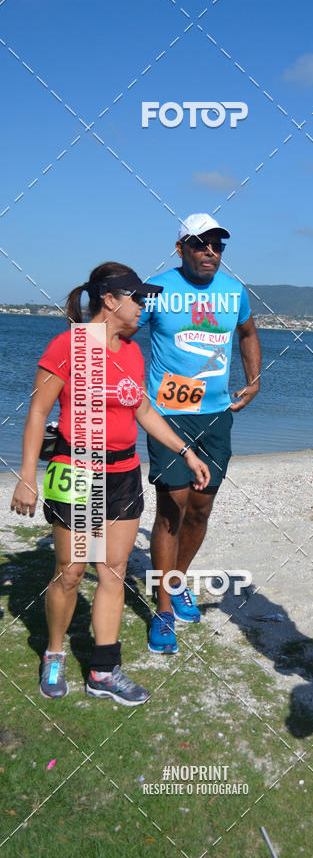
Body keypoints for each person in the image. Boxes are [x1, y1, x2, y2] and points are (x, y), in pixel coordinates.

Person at [10, 262, 211, 703]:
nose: (145, 307)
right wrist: (26, 476)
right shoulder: (69, 345)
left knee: (113, 572)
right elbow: (39, 413)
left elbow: (142, 411)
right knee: (70, 573)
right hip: (77, 471)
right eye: (139, 298)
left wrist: (186, 451)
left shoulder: (132, 353)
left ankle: (103, 671)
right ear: (110, 299)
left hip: (123, 474)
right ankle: (56, 652)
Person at [137, 213, 261, 654]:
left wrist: (254, 379)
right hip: (167, 414)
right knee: (172, 507)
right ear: (180, 248)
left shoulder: (233, 292)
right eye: (200, 243)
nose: (210, 251)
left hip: (215, 415)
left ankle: (177, 579)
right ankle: (164, 609)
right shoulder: (155, 289)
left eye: (218, 245)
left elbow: (247, 331)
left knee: (201, 510)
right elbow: (120, 330)